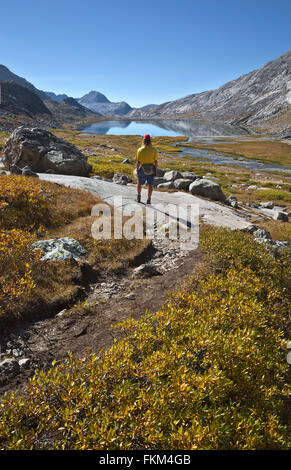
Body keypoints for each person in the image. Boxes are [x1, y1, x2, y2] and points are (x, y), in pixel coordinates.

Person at [136, 134, 158, 204]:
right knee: (150, 185)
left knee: (139, 183)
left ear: (144, 140)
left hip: (142, 168)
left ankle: (139, 197)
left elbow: (138, 162)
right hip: (151, 169)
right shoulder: (154, 150)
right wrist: (156, 170)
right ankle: (149, 199)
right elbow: (156, 162)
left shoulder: (139, 150)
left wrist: (137, 170)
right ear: (150, 141)